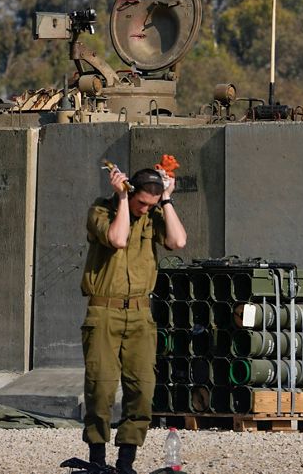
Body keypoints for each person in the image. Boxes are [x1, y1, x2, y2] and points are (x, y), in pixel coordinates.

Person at [81, 165, 187, 474]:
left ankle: (126, 461)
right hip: (104, 312)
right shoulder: (102, 210)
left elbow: (178, 241)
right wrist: (124, 201)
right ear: (129, 193)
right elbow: (118, 238)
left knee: (142, 389)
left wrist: (166, 200)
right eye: (142, 202)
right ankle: (97, 460)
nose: (146, 209)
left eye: (150, 205)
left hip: (140, 314)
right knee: (100, 388)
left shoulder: (154, 214)